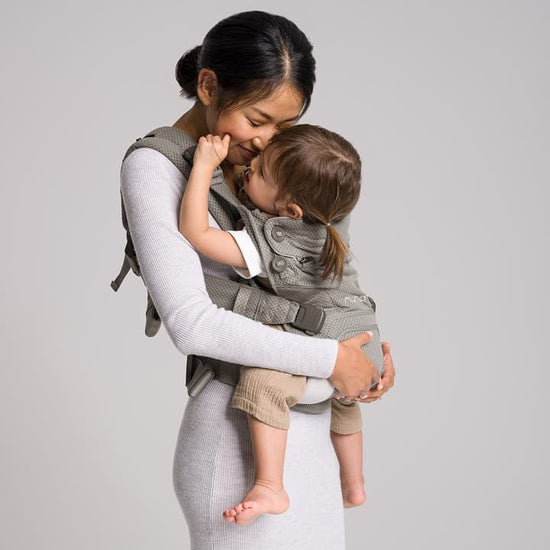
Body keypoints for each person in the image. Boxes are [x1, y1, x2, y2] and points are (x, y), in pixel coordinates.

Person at [120, 10, 395, 550]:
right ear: (208, 86)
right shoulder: (157, 167)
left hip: (311, 430)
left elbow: (320, 276)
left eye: (284, 127)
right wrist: (334, 359)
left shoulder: (280, 166)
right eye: (257, 119)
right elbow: (192, 324)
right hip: (236, 441)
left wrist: (363, 349)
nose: (267, 141)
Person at [179, 125, 384, 526]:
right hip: (367, 345)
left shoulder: (269, 244)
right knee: (344, 402)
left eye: (261, 171)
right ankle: (354, 482)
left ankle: (270, 485)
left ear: (290, 212)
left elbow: (196, 232)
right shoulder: (334, 223)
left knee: (263, 381)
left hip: (328, 353)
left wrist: (203, 167)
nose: (250, 165)